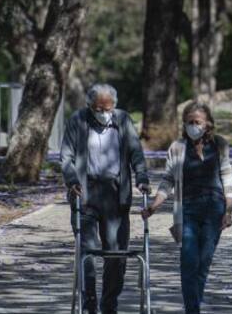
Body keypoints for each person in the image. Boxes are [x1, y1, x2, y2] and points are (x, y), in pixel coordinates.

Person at [60, 83, 151, 314]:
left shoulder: (123, 120)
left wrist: (141, 177)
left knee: (116, 255)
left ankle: (109, 305)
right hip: (86, 195)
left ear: (114, 106)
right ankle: (89, 306)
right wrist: (72, 181)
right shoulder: (78, 120)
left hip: (115, 196)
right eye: (98, 108)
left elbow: (135, 152)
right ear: (90, 106)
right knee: (88, 255)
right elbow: (66, 157)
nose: (104, 113)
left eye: (108, 108)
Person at [142, 102, 232, 314]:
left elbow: (227, 176)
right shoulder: (177, 148)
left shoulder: (220, 144)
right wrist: (154, 205)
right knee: (188, 261)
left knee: (204, 262)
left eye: (197, 122)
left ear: (208, 123)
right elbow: (168, 181)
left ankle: (193, 308)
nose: (193, 126)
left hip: (214, 208)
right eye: (189, 122)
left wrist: (228, 210)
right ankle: (192, 310)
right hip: (188, 210)